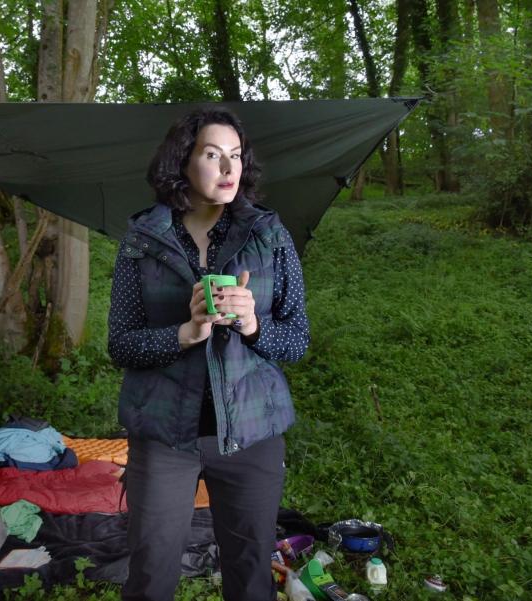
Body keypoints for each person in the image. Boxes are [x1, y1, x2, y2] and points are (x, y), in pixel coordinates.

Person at [108, 107, 310, 601]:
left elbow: (297, 339)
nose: (228, 169)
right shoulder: (143, 241)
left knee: (249, 570)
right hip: (163, 436)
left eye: (236, 156)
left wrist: (252, 323)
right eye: (213, 154)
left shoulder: (269, 237)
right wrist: (185, 332)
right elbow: (122, 344)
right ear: (182, 162)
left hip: (252, 433)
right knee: (151, 573)